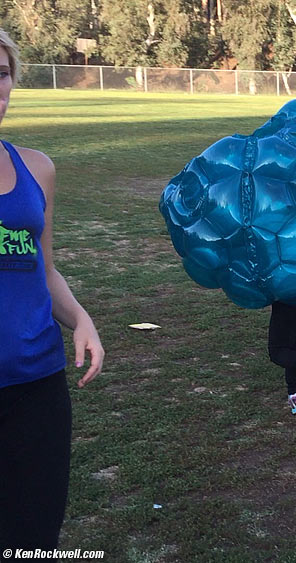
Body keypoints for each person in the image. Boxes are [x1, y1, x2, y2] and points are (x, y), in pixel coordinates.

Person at [0, 29, 105, 554]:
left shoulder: (36, 168)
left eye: (1, 74)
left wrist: (81, 319)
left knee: (33, 536)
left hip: (38, 384)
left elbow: (44, 270)